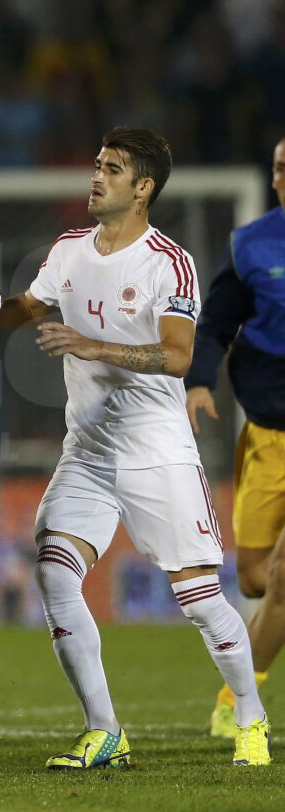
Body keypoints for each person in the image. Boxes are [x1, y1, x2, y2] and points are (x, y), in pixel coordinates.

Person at [0, 127, 270, 767]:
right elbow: (19, 311)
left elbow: (177, 356)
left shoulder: (166, 262)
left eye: (112, 169)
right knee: (54, 571)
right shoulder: (66, 250)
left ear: (143, 188)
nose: (96, 177)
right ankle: (105, 730)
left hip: (156, 449)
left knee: (200, 597)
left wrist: (95, 347)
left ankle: (250, 714)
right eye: (96, 165)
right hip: (88, 451)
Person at [186, 137, 285, 738]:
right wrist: (200, 382)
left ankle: (235, 700)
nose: (282, 179)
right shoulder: (253, 244)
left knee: (283, 578)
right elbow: (218, 320)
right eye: (278, 168)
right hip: (268, 433)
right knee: (254, 578)